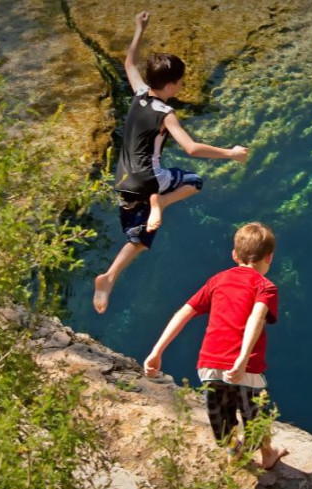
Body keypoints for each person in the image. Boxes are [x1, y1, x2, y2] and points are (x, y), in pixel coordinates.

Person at [93, 11, 248, 314]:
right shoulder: (166, 113)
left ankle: (109, 276)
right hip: (150, 178)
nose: (179, 87)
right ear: (172, 84)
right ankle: (159, 204)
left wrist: (139, 29)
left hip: (123, 180)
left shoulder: (139, 94)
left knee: (139, 237)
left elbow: (128, 63)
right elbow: (190, 148)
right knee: (194, 182)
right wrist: (230, 153)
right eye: (179, 83)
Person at [143, 222, 289, 469]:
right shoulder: (266, 287)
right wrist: (242, 359)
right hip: (246, 369)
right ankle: (266, 454)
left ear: (234, 255)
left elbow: (184, 313)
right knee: (256, 415)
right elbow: (257, 317)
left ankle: (234, 451)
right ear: (269, 258)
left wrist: (156, 351)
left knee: (222, 418)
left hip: (209, 364)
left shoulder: (218, 280)